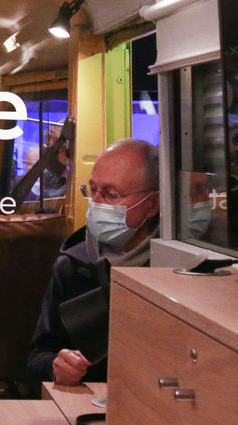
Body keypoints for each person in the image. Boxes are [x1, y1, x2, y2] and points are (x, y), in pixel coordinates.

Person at [26, 138, 160, 385]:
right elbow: (38, 357)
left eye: (111, 194)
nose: (96, 203)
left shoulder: (173, 268)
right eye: (93, 190)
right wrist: (57, 367)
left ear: (152, 204)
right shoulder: (73, 265)